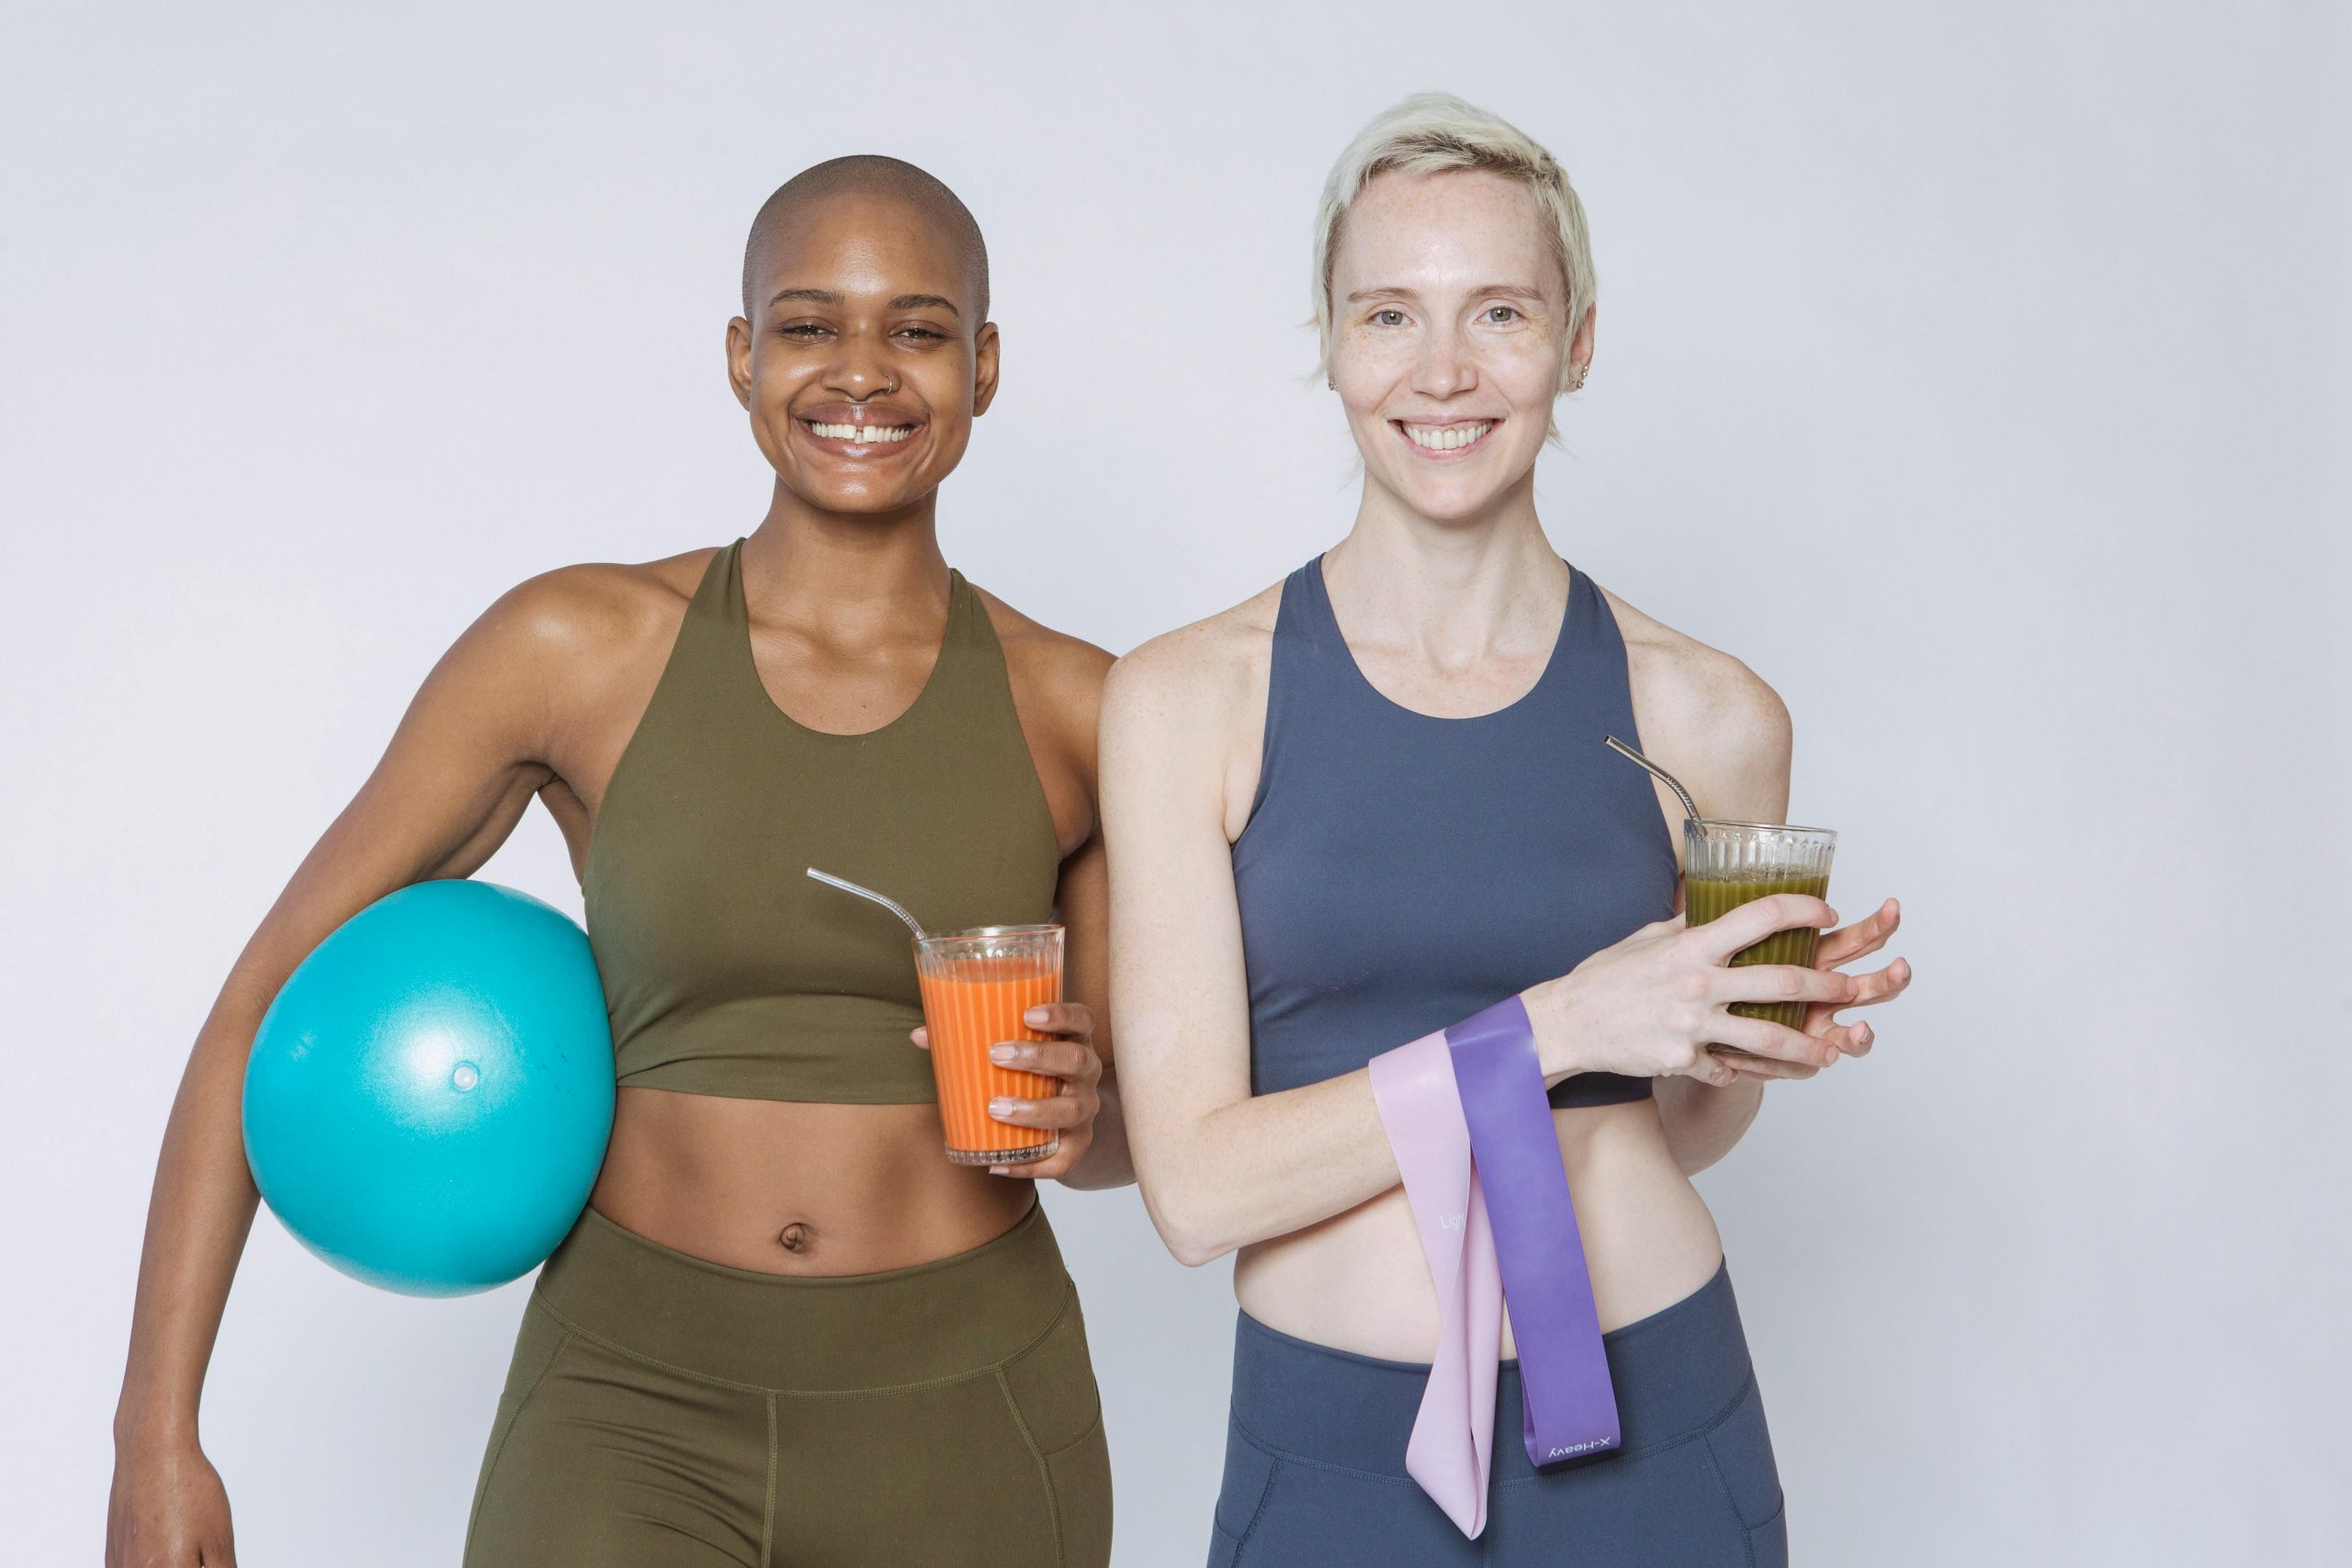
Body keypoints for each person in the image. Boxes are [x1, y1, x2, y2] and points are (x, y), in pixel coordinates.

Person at [107, 156, 1121, 1568]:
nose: (864, 374)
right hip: (630, 1407)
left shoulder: (1086, 710)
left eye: (919, 328)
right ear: (742, 354)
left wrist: (1090, 1122)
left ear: (985, 365)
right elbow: (259, 1012)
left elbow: (1134, 1142)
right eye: (811, 323)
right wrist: (157, 1434)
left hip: (967, 1412)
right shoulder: (577, 651)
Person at [1101, 94, 1912, 1566]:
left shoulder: (1714, 716)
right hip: (1335, 1459)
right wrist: (1561, 1021)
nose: (1444, 371)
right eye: (1390, 315)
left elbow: (1688, 1124)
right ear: (1333, 343)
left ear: (1577, 342)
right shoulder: (1183, 704)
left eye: (1500, 313)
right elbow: (1198, 1191)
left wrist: (1743, 1041)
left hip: (1661, 1433)